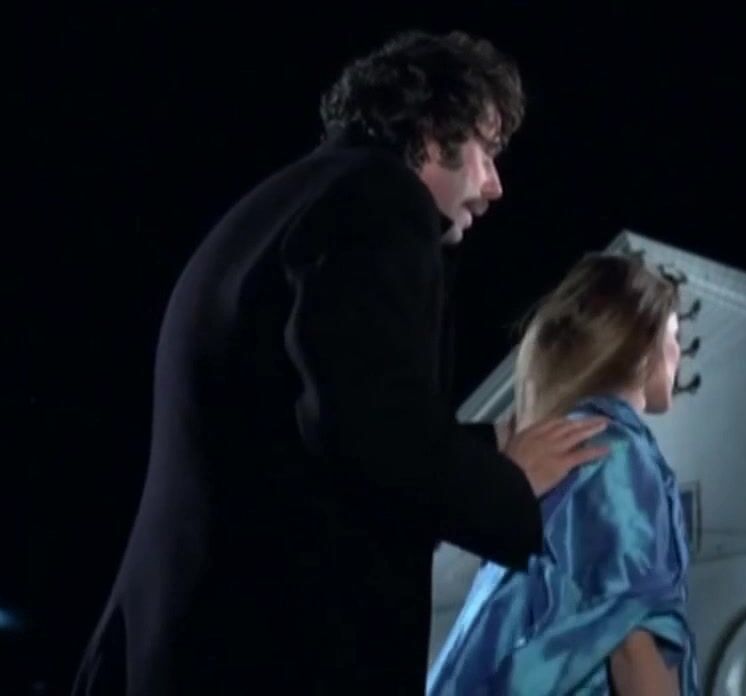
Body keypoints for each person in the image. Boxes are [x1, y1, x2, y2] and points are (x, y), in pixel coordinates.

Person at [71, 30, 608, 696]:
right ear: (432, 131)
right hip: (261, 653)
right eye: (487, 150)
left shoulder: (295, 196)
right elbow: (368, 429)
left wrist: (486, 445)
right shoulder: (378, 203)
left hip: (190, 638)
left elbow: (303, 427)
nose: (495, 186)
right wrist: (511, 484)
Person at [426, 254, 700, 695]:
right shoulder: (615, 449)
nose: (679, 353)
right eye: (674, 336)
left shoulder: (555, 449)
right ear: (643, 343)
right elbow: (634, 637)